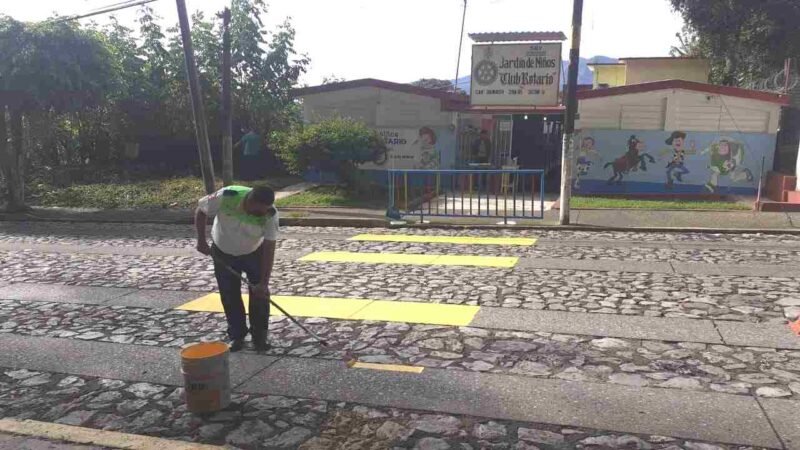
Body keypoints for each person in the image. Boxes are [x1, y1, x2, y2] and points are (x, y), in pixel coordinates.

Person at [195, 185, 279, 352]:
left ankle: (259, 337)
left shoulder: (271, 214)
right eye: (257, 212)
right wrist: (201, 241)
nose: (261, 215)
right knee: (229, 294)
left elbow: (270, 247)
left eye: (264, 211)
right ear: (249, 201)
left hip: (254, 252)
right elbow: (201, 210)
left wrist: (264, 282)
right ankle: (237, 335)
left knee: (260, 295)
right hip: (223, 251)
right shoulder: (227, 195)